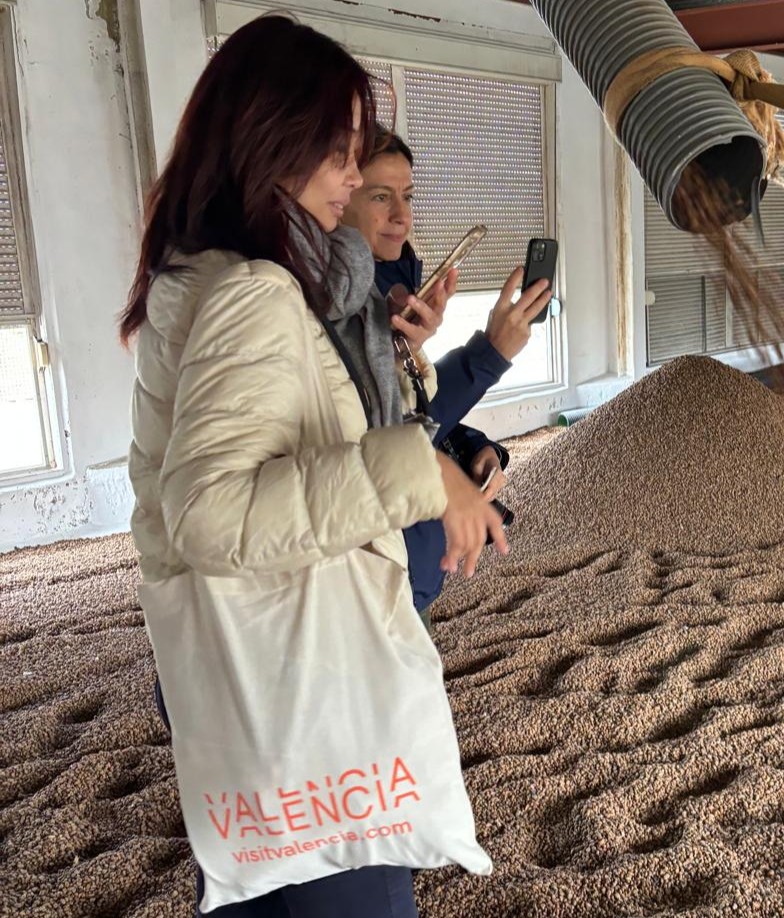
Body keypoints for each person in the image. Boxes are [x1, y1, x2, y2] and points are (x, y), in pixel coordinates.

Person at [121, 16, 511, 916]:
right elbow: (210, 512)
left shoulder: (212, 275)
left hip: (245, 666)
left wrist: (420, 404)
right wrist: (422, 472)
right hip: (302, 676)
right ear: (274, 143)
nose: (352, 177)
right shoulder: (256, 291)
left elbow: (295, 437)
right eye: (341, 154)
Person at [338, 126, 551, 624]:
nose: (402, 216)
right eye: (380, 196)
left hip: (413, 567)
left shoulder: (393, 278)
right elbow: (375, 438)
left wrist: (468, 447)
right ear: (337, 194)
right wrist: (490, 354)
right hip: (371, 581)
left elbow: (410, 411)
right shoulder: (327, 302)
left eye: (408, 196)